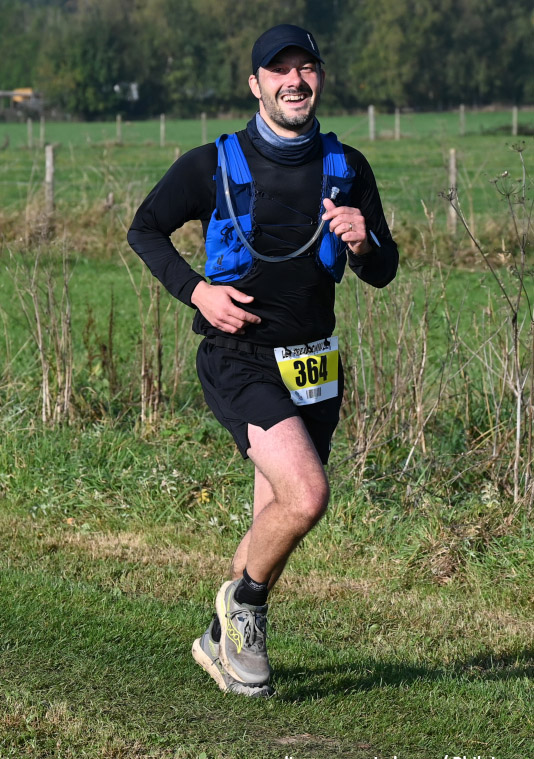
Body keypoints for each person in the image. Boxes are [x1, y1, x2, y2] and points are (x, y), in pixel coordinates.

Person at [128, 23, 398, 697]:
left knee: (275, 511)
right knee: (307, 496)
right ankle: (244, 604)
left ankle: (221, 640)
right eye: (280, 70)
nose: (295, 81)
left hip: (315, 364)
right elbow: (144, 229)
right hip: (239, 356)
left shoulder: (348, 167)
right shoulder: (211, 164)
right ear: (256, 84)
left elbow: (382, 271)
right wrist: (197, 291)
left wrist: (365, 243)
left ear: (320, 78)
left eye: (306, 68)